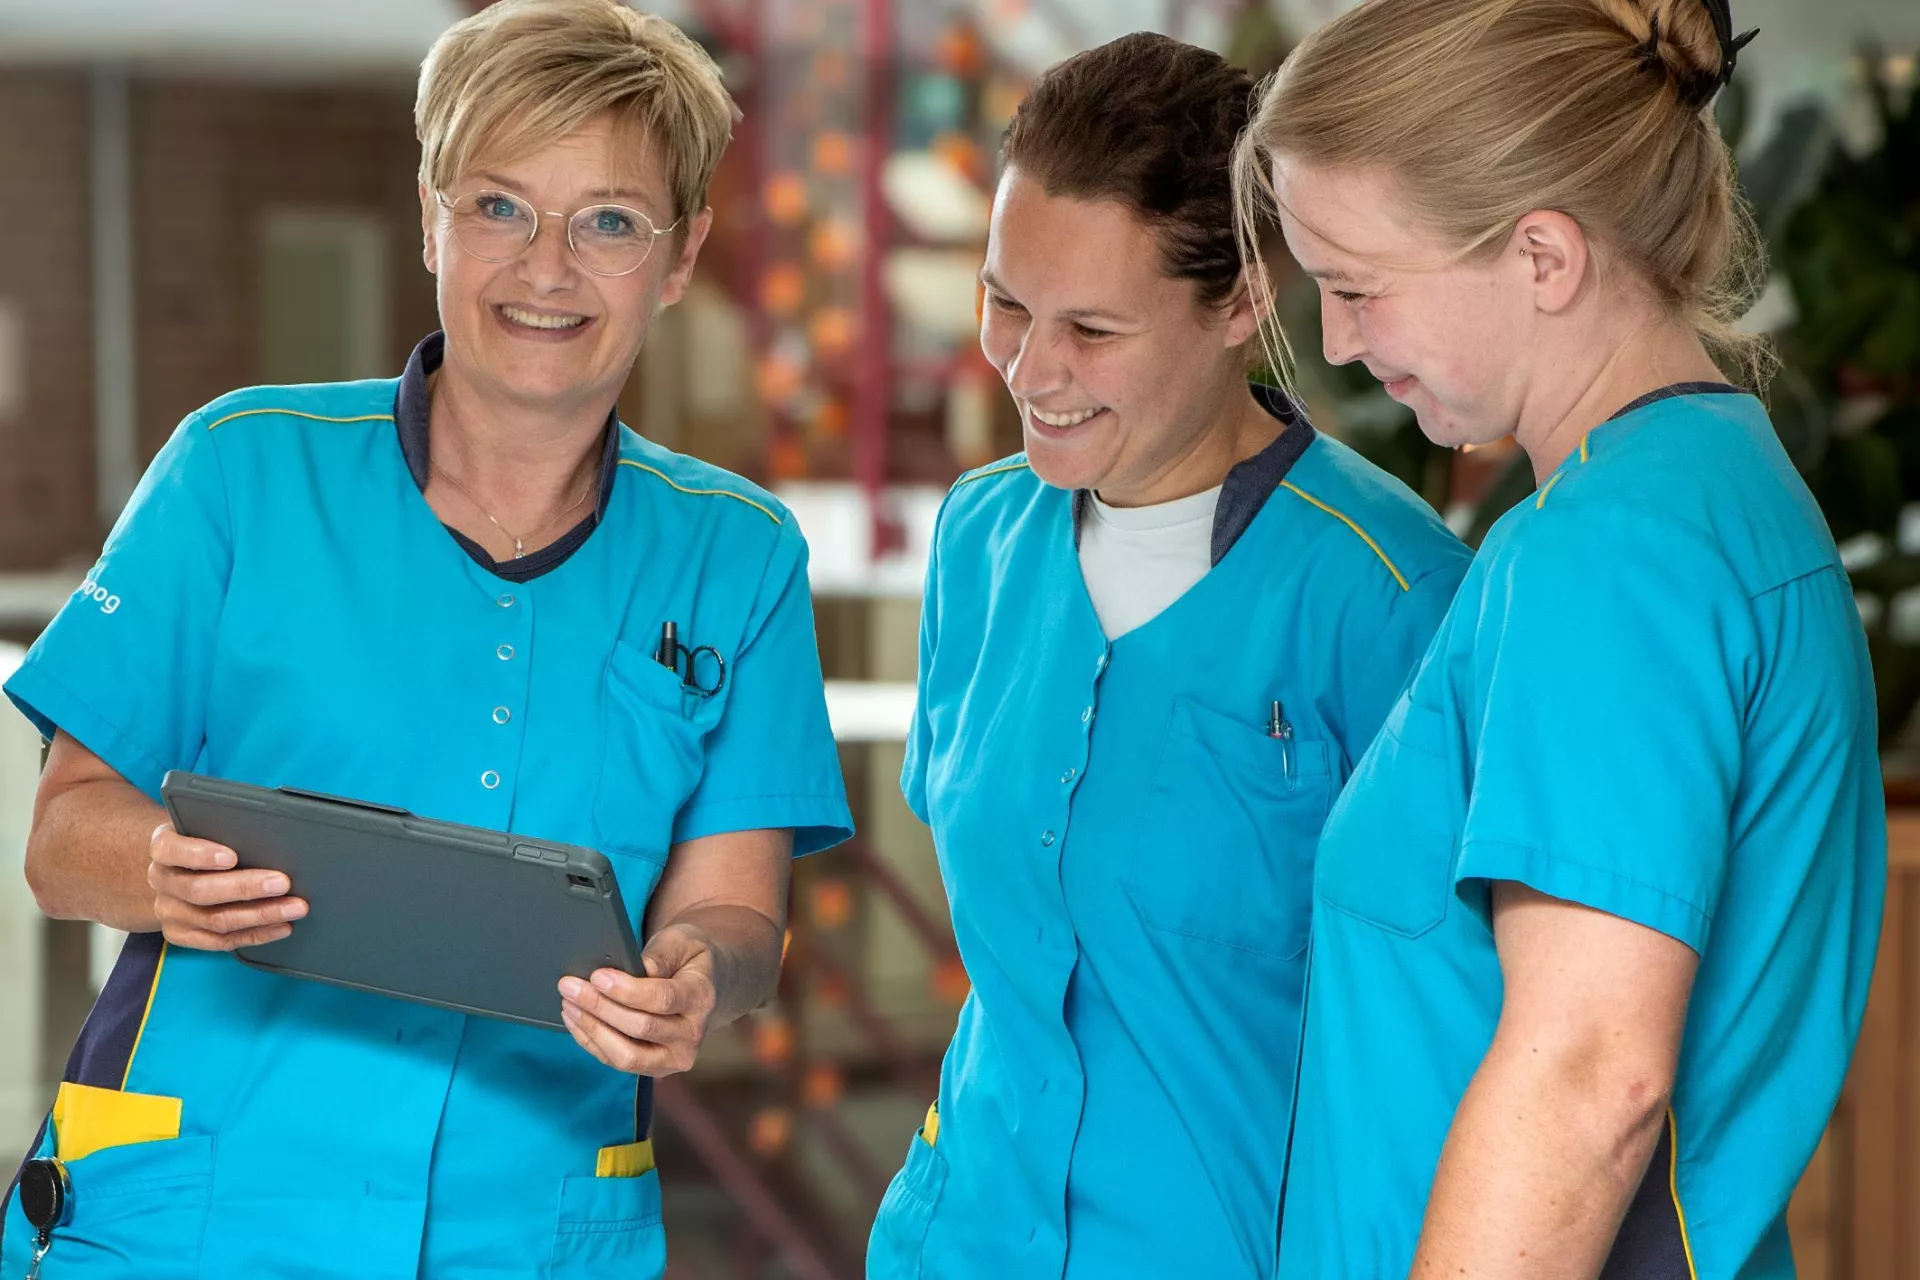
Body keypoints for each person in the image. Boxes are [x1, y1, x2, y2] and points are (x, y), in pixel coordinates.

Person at [0, 2, 852, 1276]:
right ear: (429, 217)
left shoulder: (737, 556)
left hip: (534, 1226)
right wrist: (163, 866)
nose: (547, 267)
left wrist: (693, 977)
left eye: (609, 221)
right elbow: (64, 837)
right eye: (500, 206)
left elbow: (736, 911)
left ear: (681, 258)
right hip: (196, 1209)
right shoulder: (241, 468)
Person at [1231, 0, 1885, 1275]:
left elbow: (1589, 1077)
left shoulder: (1608, 554)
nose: (1338, 342)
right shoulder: (1706, 494)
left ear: (1542, 257)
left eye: (1358, 287)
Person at [867, 33, 1470, 1280]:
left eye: (1092, 326)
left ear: (1245, 297)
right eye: (1006, 303)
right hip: (958, 1238)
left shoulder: (1390, 598)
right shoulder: (981, 538)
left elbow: (1452, 1037)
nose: (1033, 370)